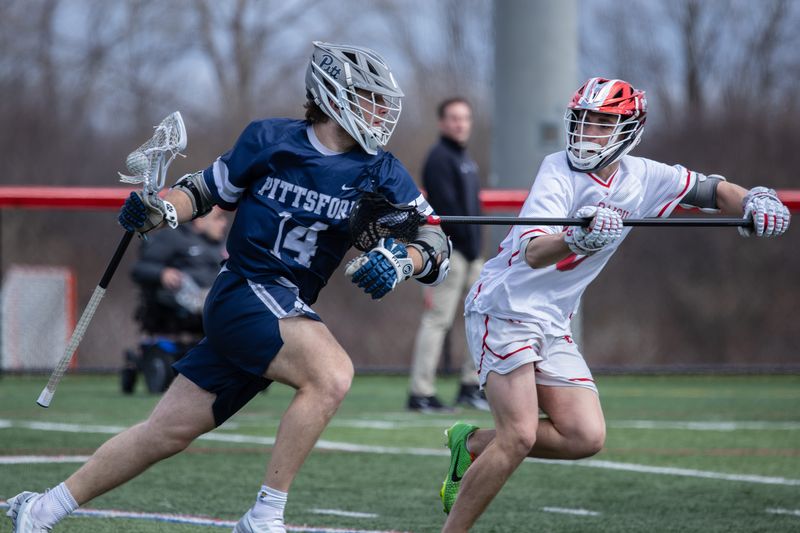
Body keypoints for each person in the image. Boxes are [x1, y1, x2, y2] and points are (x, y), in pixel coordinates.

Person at [6, 41, 450, 533]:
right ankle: (265, 515)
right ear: (333, 94)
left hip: (284, 308)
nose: (380, 111)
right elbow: (199, 191)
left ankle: (43, 507)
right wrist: (159, 211)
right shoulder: (270, 139)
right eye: (369, 97)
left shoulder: (381, 169)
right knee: (332, 374)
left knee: (164, 432)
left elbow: (434, 238)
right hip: (246, 289)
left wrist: (402, 262)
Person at [438, 77, 791, 531]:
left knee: (585, 435)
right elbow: (532, 250)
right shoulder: (557, 169)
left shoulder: (641, 176)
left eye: (602, 123)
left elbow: (708, 189)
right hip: (505, 307)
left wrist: (755, 199)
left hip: (551, 320)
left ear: (629, 129)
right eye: (582, 120)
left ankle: (469, 444)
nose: (587, 132)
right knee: (519, 435)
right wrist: (575, 236)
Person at [408, 97, 487, 412]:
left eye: (465, 118)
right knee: (437, 321)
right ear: (442, 122)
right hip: (449, 251)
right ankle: (420, 392)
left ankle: (471, 385)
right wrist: (461, 248)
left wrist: (475, 251)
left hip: (471, 254)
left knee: (481, 319)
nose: (460, 124)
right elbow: (448, 211)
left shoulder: (465, 159)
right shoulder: (439, 157)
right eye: (454, 118)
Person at [121, 207, 228, 394]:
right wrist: (162, 273)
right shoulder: (172, 238)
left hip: (215, 297)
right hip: (183, 301)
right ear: (200, 221)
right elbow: (140, 269)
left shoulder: (220, 246)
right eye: (218, 218)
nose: (224, 223)